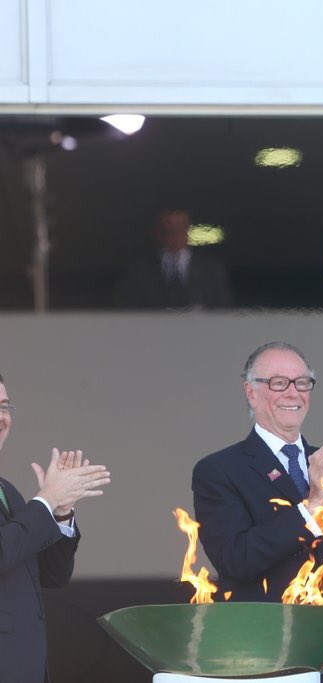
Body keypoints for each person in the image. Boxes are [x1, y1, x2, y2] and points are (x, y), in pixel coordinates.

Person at [192, 342, 323, 683]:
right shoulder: (220, 470)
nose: (292, 392)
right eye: (278, 382)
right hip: (269, 657)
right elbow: (235, 558)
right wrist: (310, 508)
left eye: (301, 382)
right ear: (251, 391)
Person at [0, 372, 111, 683]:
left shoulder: (6, 490)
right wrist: (46, 500)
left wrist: (61, 512)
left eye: (5, 406)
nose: (1, 417)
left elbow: (52, 575)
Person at [118, 208, 233, 309]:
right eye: (168, 230)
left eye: (180, 228)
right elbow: (130, 308)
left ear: (188, 232)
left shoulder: (212, 270)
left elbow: (222, 308)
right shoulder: (140, 271)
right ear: (158, 233)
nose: (175, 235)